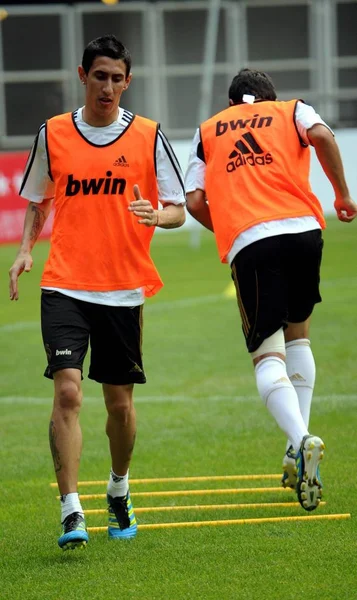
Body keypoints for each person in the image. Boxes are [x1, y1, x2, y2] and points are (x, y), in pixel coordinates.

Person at [9, 34, 186, 550]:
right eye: (100, 76)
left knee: (119, 408)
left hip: (123, 290)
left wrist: (161, 215)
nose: (108, 87)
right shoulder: (54, 133)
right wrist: (25, 250)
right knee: (67, 390)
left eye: (117, 78)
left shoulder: (150, 136)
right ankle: (70, 510)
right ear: (82, 75)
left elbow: (177, 206)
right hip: (64, 283)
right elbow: (40, 199)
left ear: (128, 82)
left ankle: (118, 488)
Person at [185, 68, 357, 512]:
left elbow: (194, 201)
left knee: (267, 354)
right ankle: (292, 447)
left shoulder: (207, 133)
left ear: (230, 104)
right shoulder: (292, 110)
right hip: (303, 232)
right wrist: (341, 194)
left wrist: (232, 230)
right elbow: (322, 137)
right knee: (299, 334)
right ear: (268, 98)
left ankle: (301, 440)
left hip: (253, 240)